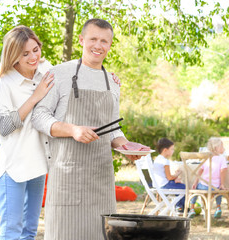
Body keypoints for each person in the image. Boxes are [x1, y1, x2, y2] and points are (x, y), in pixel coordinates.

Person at [31, 18, 149, 240]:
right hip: (67, 176)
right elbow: (38, 116)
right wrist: (73, 129)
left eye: (104, 41)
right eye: (93, 39)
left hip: (101, 179)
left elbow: (113, 128)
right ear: (81, 40)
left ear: (110, 45)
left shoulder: (112, 82)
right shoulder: (60, 73)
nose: (98, 45)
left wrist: (126, 146)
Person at [0, 26, 54, 239]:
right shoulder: (5, 83)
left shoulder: (46, 69)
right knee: (12, 232)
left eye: (36, 49)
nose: (33, 57)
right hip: (13, 168)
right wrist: (35, 97)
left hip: (38, 164)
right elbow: (5, 126)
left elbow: (73, 79)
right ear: (14, 55)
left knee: (30, 231)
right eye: (25, 53)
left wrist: (106, 77)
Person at [187, 137, 228, 218]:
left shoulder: (206, 158)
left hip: (203, 186)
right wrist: (222, 184)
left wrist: (195, 182)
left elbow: (200, 170)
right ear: (216, 148)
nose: (224, 148)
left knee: (194, 190)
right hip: (215, 187)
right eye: (222, 146)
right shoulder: (222, 158)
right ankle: (218, 208)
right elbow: (223, 170)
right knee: (219, 190)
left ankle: (192, 209)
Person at [153, 138, 185, 212]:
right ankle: (180, 207)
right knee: (184, 187)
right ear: (165, 150)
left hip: (158, 184)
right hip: (164, 185)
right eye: (172, 149)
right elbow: (169, 177)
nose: (173, 151)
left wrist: (174, 179)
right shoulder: (165, 161)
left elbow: (165, 176)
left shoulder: (157, 159)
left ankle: (178, 206)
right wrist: (177, 174)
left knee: (178, 186)